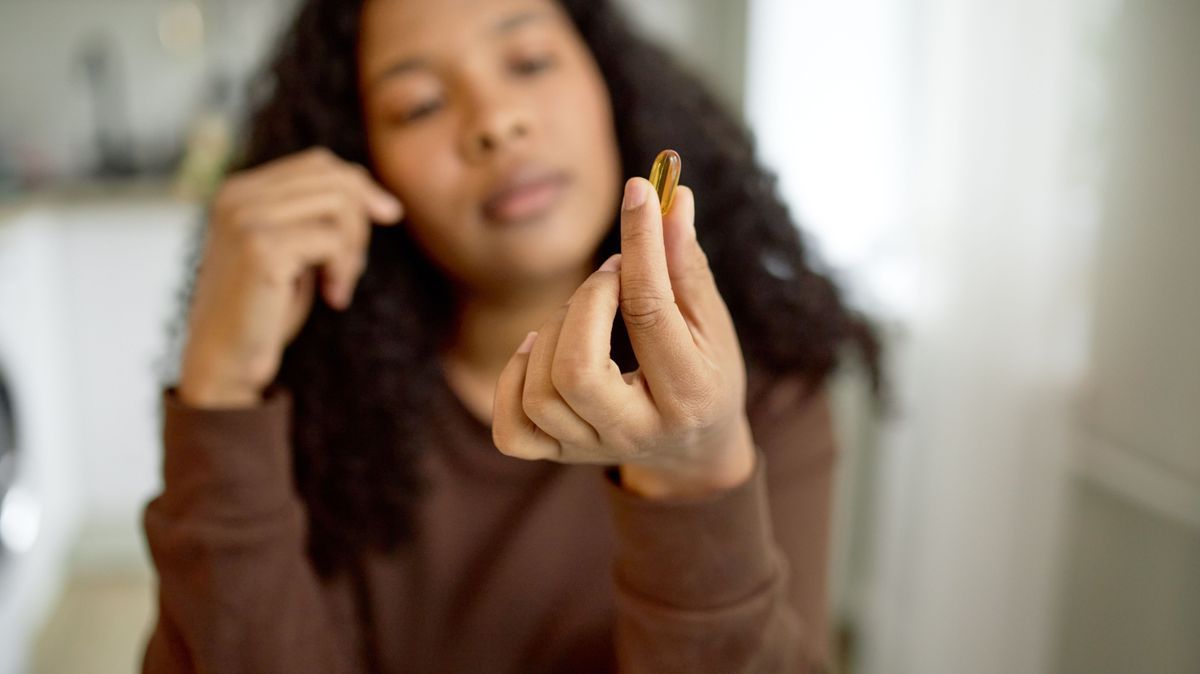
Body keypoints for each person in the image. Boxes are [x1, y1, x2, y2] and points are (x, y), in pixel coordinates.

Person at [142, 0, 881, 672]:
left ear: (613, 87)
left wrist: (696, 476)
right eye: (419, 104)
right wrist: (219, 393)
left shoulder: (768, 391)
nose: (494, 120)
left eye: (528, 61)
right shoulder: (311, 410)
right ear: (363, 165)